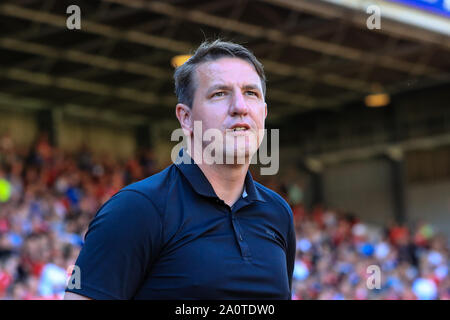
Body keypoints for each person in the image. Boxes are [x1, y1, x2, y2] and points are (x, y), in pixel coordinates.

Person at [64, 39, 296, 300]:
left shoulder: (278, 213)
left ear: (263, 114)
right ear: (186, 118)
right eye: (219, 93)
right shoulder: (136, 209)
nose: (240, 107)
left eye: (251, 93)